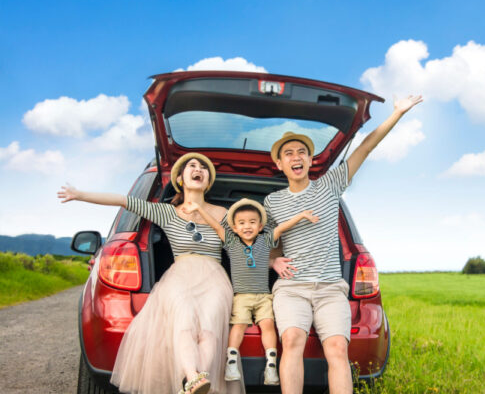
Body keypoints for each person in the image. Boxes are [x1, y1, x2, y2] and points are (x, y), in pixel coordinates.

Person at [264, 95, 423, 394]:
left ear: (311, 160)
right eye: (288, 153)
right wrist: (274, 260)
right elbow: (267, 243)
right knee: (293, 341)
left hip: (330, 288)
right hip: (292, 288)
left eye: (302, 152)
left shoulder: (331, 184)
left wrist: (398, 113)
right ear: (279, 163)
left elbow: (366, 146)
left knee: (337, 348)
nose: (296, 157)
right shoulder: (272, 202)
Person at [58, 153, 249, 394]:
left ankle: (195, 383)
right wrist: (80, 195)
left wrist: (203, 211)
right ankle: (193, 379)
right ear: (180, 178)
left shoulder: (222, 212)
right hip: (180, 274)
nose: (198, 169)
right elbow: (123, 201)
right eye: (192, 165)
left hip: (214, 276)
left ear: (208, 181)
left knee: (210, 329)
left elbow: (239, 244)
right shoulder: (167, 213)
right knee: (184, 323)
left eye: (203, 167)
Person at [181, 198, 318, 386]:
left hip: (263, 296)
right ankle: (231, 363)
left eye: (252, 222)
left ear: (260, 226)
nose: (247, 226)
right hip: (241, 297)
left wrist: (301, 216)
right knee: (239, 325)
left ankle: (271, 366)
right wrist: (199, 208)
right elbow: (216, 226)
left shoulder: (265, 240)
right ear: (235, 228)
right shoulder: (231, 242)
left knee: (268, 324)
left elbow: (281, 228)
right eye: (242, 223)